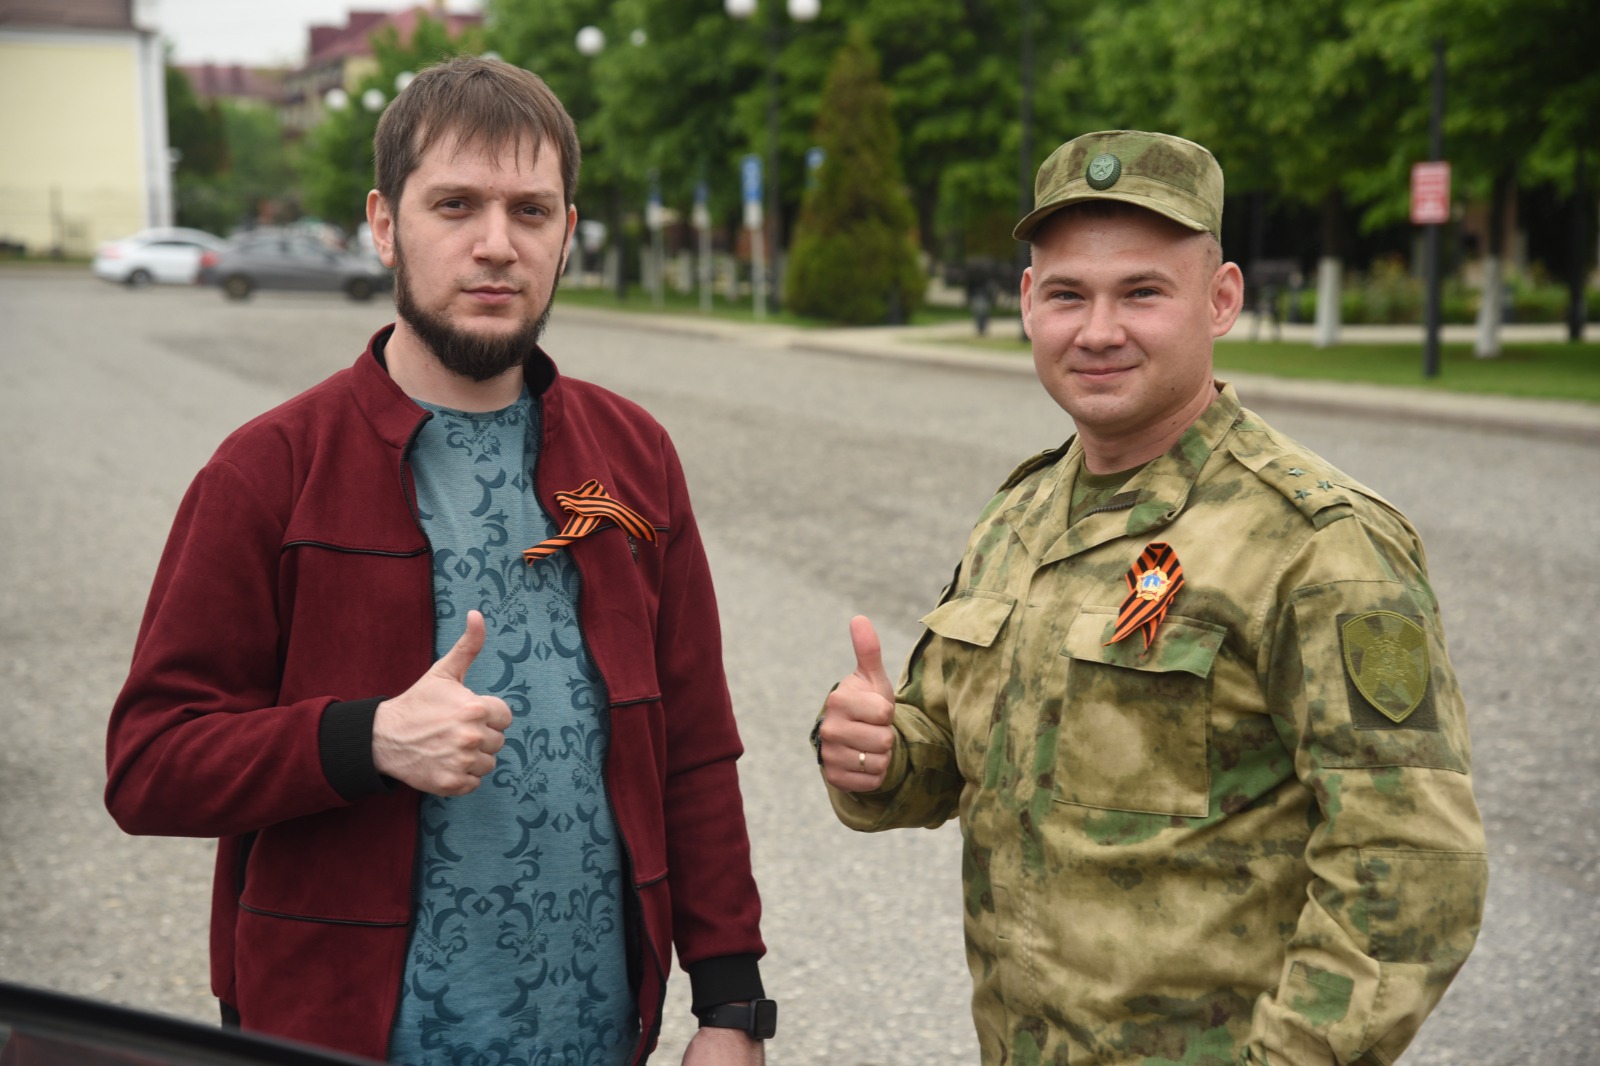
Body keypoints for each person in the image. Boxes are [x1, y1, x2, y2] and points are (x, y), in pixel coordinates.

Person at [106, 57, 773, 1066]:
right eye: (455, 205)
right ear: (384, 224)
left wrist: (730, 1003)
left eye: (530, 211)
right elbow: (149, 764)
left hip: (597, 1037)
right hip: (341, 1035)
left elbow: (694, 749)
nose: (496, 244)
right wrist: (364, 738)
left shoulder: (634, 456)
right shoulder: (269, 469)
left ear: (566, 233)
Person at [812, 130, 1487, 1065]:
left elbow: (1412, 867)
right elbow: (966, 759)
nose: (1098, 331)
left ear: (1221, 300)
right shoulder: (1021, 514)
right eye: (1067, 295)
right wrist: (882, 751)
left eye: (1141, 292)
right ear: (1027, 303)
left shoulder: (1319, 543)